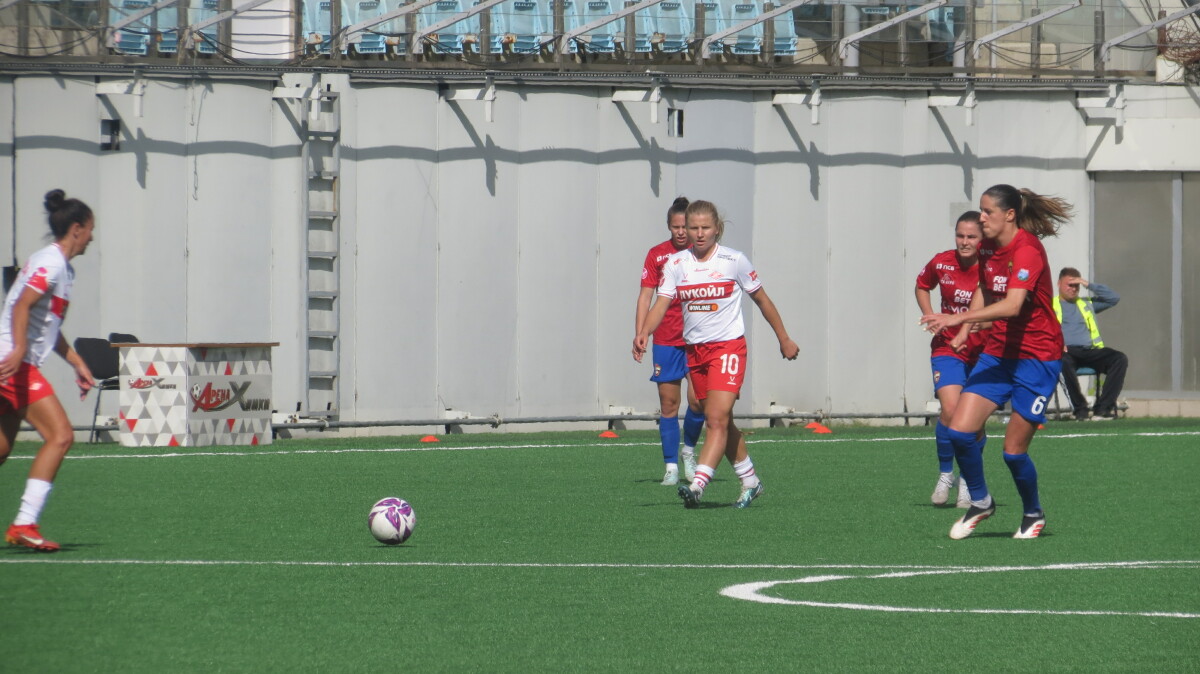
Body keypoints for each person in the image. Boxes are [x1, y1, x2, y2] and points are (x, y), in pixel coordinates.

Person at [920, 184, 1073, 540]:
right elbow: (985, 291)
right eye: (981, 210)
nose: (981, 217)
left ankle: (1033, 513)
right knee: (959, 431)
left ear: (1010, 215)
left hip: (1037, 358)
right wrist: (965, 328)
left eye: (988, 211)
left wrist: (957, 318)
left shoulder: (1028, 250)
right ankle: (981, 501)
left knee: (1013, 453)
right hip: (999, 353)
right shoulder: (987, 247)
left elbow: (1013, 305)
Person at [634, 200, 798, 509]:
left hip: (727, 348)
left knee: (716, 419)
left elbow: (762, 300)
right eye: (693, 227)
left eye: (705, 227)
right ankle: (750, 481)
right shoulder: (676, 264)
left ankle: (697, 485)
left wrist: (784, 338)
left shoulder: (733, 261)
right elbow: (661, 303)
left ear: (717, 229)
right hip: (695, 352)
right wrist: (644, 331)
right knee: (722, 421)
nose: (699, 233)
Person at [1, 189, 97, 552]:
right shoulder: (52, 263)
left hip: (13, 361)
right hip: (13, 363)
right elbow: (21, 306)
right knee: (61, 436)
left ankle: (23, 524)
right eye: (90, 229)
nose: (92, 237)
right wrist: (19, 348)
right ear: (76, 229)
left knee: (2, 449)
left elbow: (47, 327)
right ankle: (24, 524)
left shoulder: (63, 268)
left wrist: (76, 362)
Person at [914, 211, 988, 509]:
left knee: (974, 422)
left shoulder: (993, 267)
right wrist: (930, 315)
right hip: (948, 348)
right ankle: (946, 474)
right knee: (950, 409)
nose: (965, 242)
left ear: (983, 239)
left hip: (985, 352)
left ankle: (968, 480)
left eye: (971, 237)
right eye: (960, 235)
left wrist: (986, 323)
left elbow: (1010, 307)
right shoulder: (942, 262)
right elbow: (922, 285)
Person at [633, 197, 706, 486]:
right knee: (669, 404)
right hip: (666, 339)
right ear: (668, 226)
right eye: (676, 227)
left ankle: (689, 452)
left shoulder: (701, 254)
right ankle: (671, 467)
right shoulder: (657, 255)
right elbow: (645, 297)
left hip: (697, 339)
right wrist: (641, 332)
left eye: (684, 226)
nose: (681, 232)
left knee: (698, 401)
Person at [1053, 268, 1127, 420]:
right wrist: (1056, 344)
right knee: (1062, 361)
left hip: (1090, 351)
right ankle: (1081, 410)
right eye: (1069, 285)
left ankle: (1103, 408)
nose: (1074, 289)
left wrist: (1086, 284)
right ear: (1059, 284)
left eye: (1076, 285)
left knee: (1119, 359)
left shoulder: (1086, 303)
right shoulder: (1050, 305)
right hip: (1066, 352)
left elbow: (1113, 298)